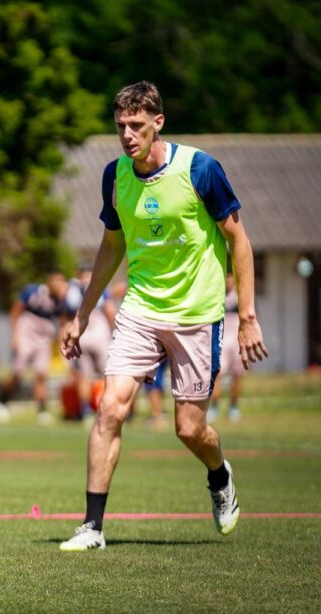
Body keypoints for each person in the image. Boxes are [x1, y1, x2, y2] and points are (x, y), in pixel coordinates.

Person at [59, 81, 268, 551]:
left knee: (189, 429)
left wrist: (248, 316)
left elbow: (240, 241)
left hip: (197, 314)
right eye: (120, 127)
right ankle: (92, 527)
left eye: (137, 125)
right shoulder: (116, 176)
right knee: (110, 407)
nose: (128, 135)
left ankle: (219, 473)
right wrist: (83, 314)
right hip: (140, 309)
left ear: (158, 123)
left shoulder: (201, 169)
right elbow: (111, 246)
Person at [0, 273, 69, 424]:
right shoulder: (33, 291)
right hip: (26, 330)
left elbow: (63, 320)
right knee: (17, 371)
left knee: (41, 373)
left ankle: (42, 410)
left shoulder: (59, 300)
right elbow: (16, 310)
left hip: (44, 336)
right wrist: (15, 335)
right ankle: (3, 401)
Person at [63, 264, 117, 420]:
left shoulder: (71, 291)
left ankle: (85, 410)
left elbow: (65, 316)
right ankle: (110, 408)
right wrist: (116, 331)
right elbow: (109, 311)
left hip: (80, 336)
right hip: (100, 335)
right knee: (109, 374)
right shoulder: (99, 287)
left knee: (84, 376)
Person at [209, 272, 245, 422]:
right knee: (218, 374)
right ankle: (214, 407)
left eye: (231, 280)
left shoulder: (241, 297)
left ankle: (233, 406)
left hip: (237, 341)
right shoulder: (217, 295)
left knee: (237, 376)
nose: (229, 282)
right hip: (222, 340)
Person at [144, 358, 169, 428]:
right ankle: (160, 413)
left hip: (154, 355)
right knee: (157, 384)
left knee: (152, 384)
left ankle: (157, 416)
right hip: (161, 354)